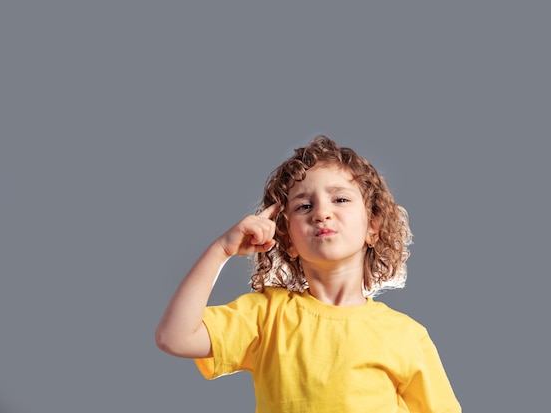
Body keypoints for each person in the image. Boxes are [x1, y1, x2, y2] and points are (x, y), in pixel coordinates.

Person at [155, 135, 461, 413]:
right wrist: (221, 250)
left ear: (373, 226)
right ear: (288, 240)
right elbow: (175, 337)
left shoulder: (406, 336)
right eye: (303, 205)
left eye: (340, 199)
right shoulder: (266, 316)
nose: (321, 212)